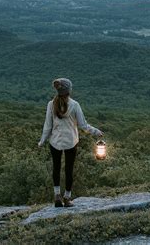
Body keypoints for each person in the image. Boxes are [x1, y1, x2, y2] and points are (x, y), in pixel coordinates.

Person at [38, 78, 103, 208]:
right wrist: (96, 132)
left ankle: (57, 196)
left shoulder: (51, 104)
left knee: (56, 168)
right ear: (69, 91)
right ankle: (67, 198)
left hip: (55, 141)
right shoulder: (75, 105)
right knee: (69, 169)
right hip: (71, 141)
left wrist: (42, 141)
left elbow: (48, 125)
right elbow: (83, 125)